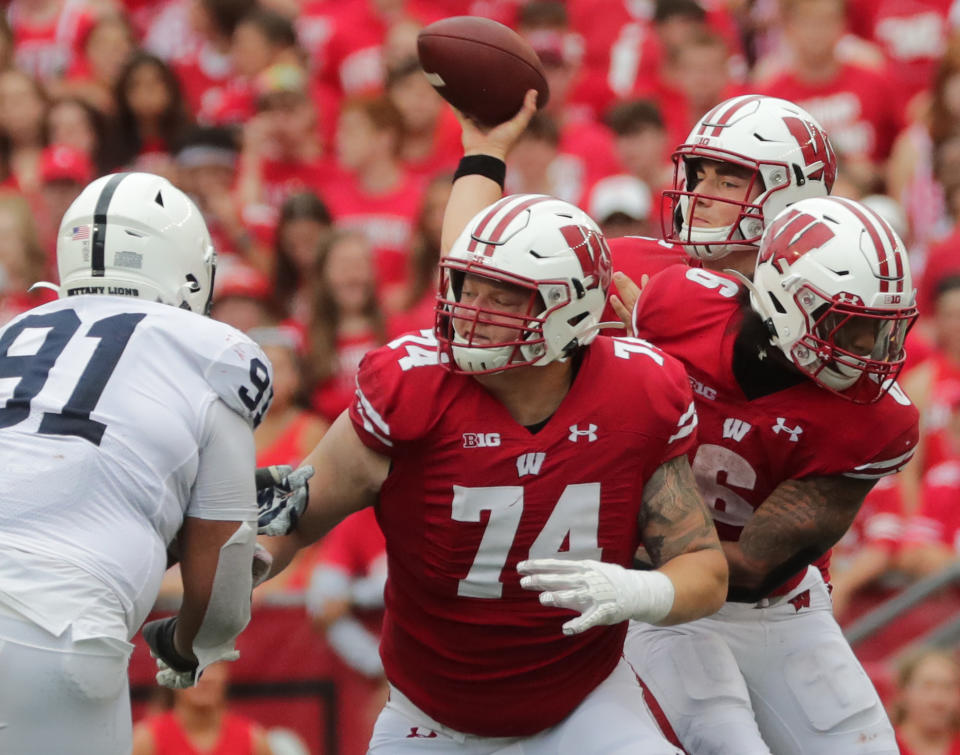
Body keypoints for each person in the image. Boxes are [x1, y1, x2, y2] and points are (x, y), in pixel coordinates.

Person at [439, 95, 917, 753]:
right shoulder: (653, 282)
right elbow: (482, 278)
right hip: (638, 588)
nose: (702, 194)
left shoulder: (868, 402)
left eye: (730, 178)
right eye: (700, 174)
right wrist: (484, 155)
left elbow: (753, 563)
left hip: (764, 598)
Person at [257, 193, 729, 752]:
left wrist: (637, 590)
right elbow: (291, 520)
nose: (469, 311)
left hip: (584, 703)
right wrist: (230, 578)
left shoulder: (638, 392)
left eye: (501, 295)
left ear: (570, 311)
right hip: (430, 718)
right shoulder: (412, 386)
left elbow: (705, 570)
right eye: (466, 285)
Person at [0, 172, 273, 753]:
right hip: (54, 630)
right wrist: (186, 646)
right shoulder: (213, 351)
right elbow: (222, 589)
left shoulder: (17, 331)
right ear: (190, 268)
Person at [131, 661, 274, 755]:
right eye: (191, 666)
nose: (204, 677)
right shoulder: (146, 741)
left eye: (213, 665)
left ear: (226, 673)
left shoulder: (254, 740)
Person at [892, 646, 960, 755]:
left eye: (948, 687)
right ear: (903, 692)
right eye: (927, 687)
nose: (937, 700)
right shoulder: (880, 746)